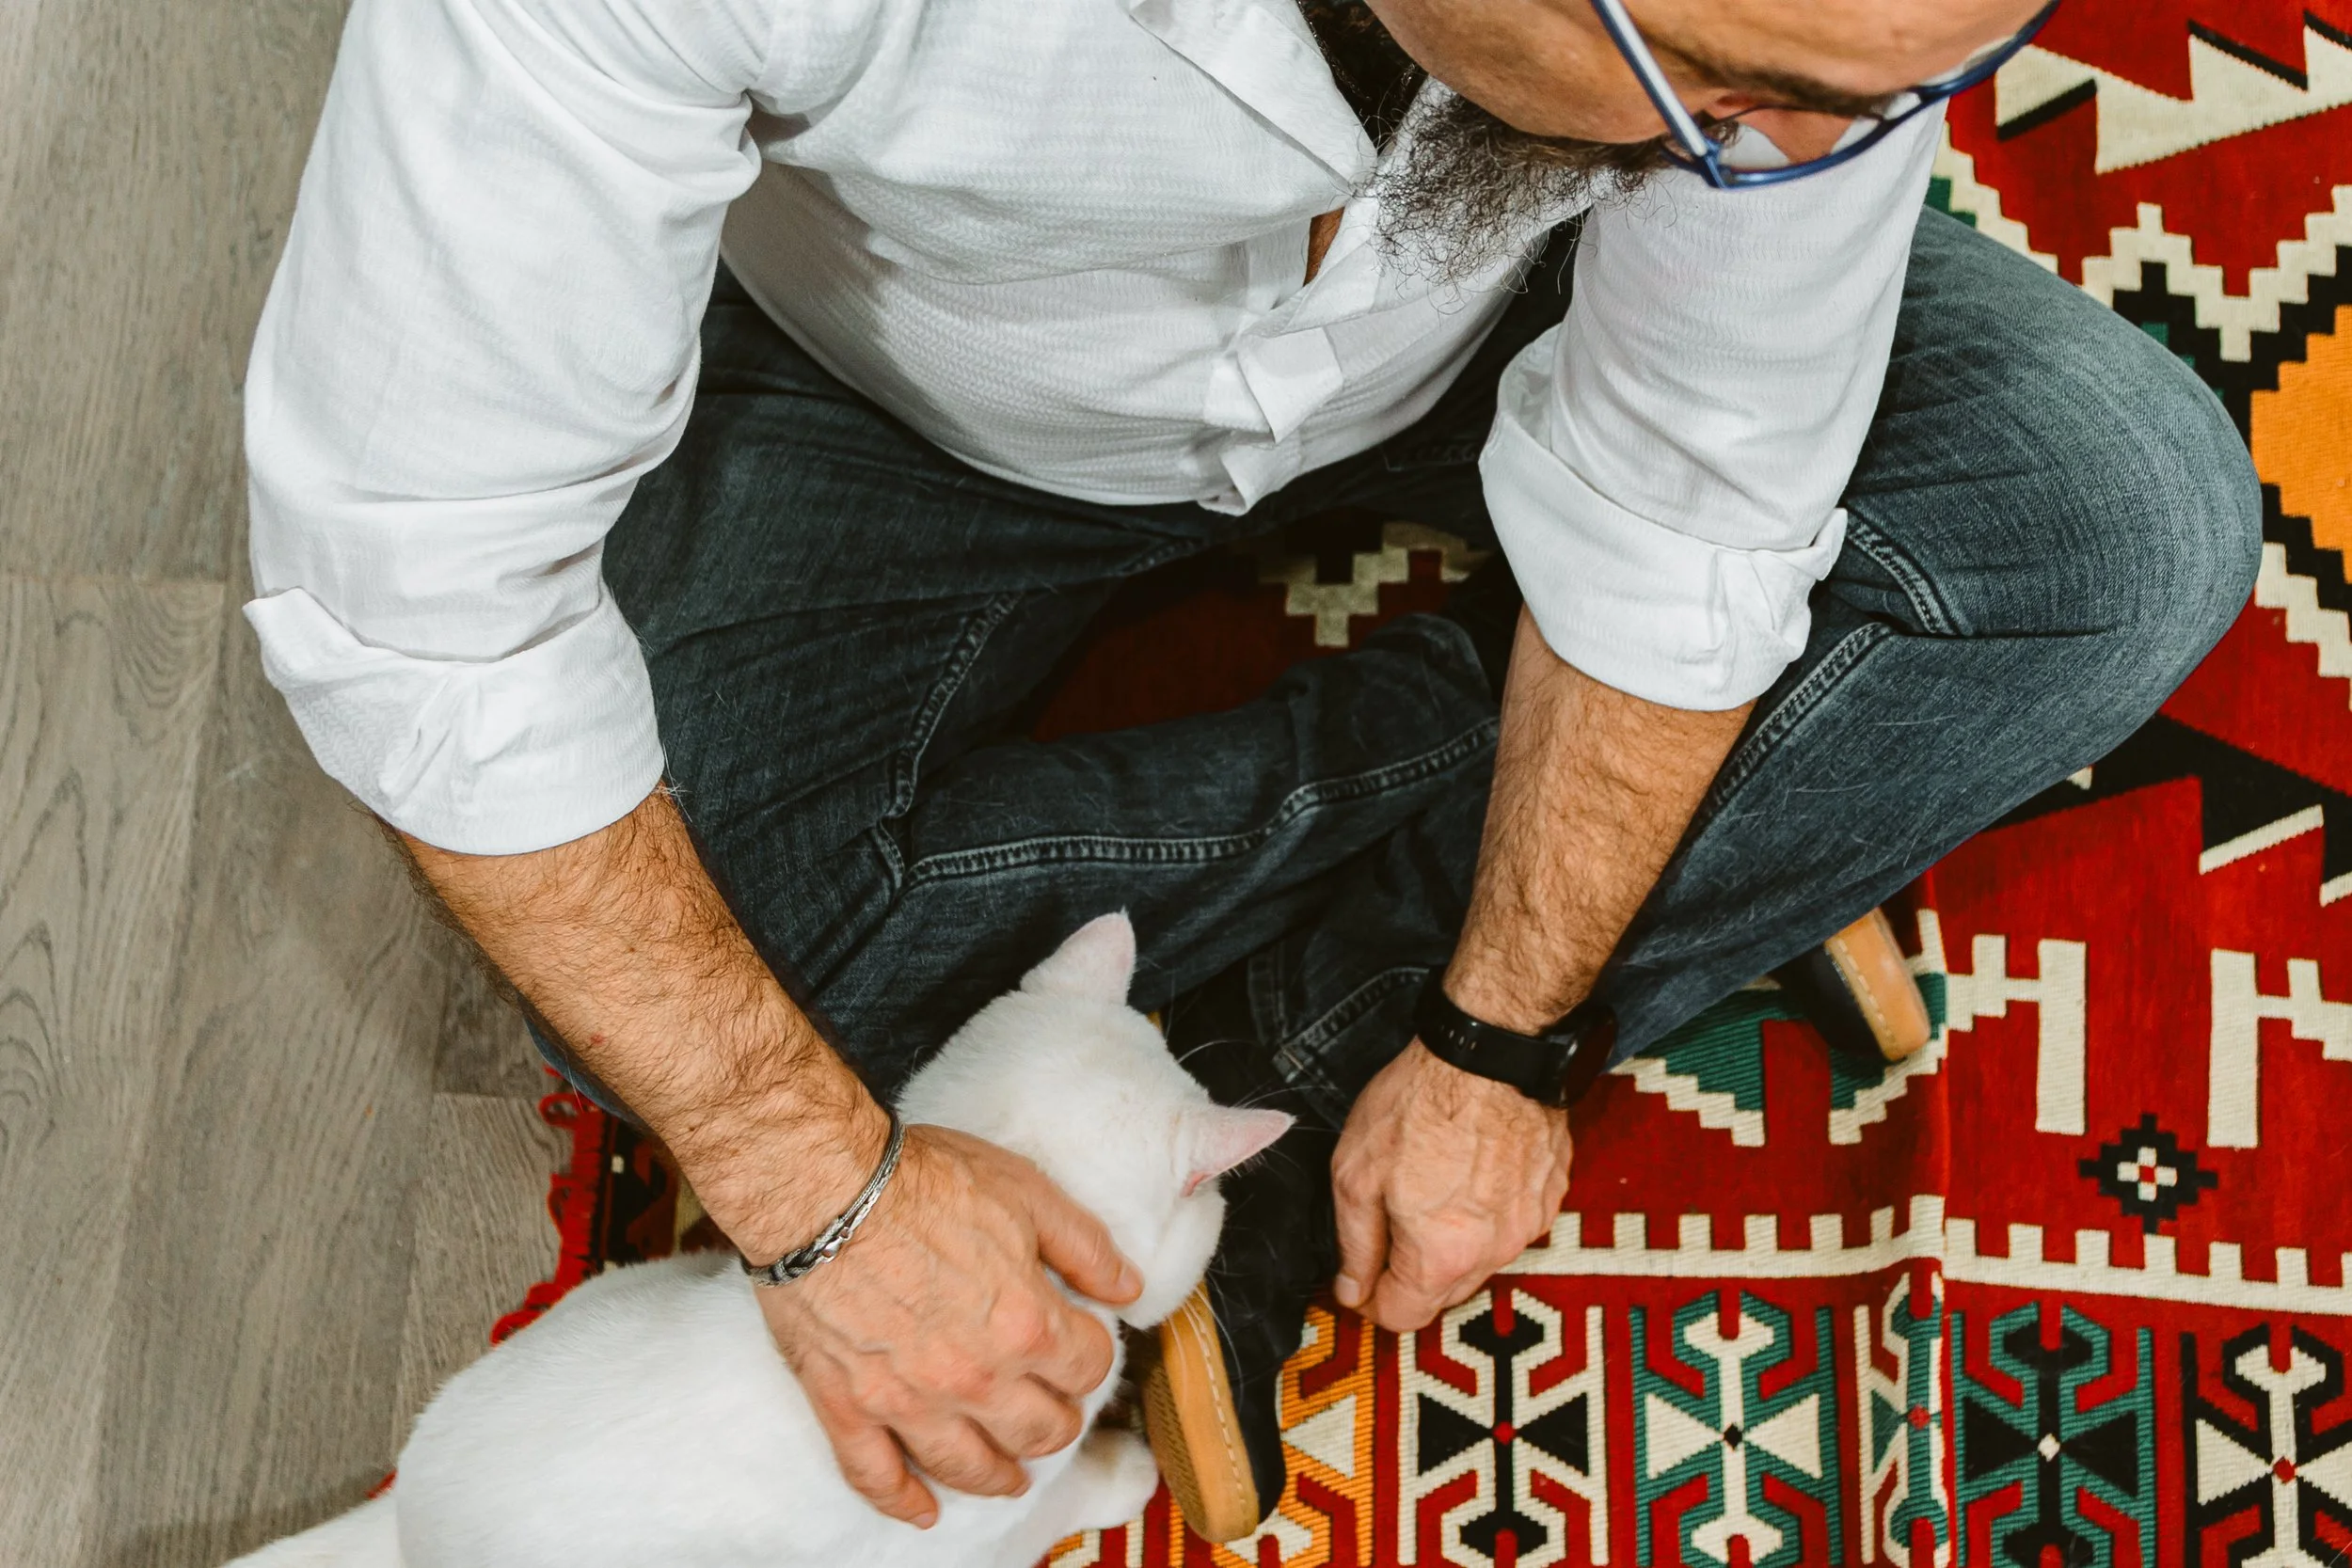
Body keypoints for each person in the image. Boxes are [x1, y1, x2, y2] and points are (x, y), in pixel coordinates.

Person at [244, 0, 2258, 1541]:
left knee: (2114, 525)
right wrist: (823, 1198)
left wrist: (1490, 1035)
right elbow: (421, 590)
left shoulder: (1741, 96)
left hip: (1471, 318)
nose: (1819, 158)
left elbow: (1692, 485)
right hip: (893, 391)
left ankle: (1301, 1053)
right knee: (670, 963)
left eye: (1893, 85)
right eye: (1739, 80)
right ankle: (1498, 750)